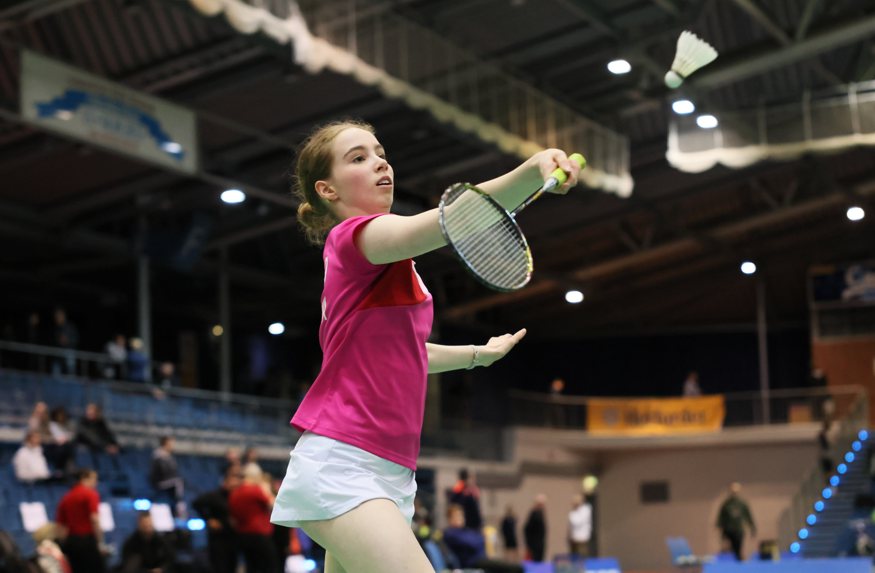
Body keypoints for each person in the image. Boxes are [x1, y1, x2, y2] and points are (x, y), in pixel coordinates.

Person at [268, 120, 581, 573]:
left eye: (380, 153)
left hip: (391, 471)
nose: (380, 163)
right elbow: (454, 219)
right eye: (358, 158)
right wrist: (531, 172)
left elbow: (404, 355)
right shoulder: (355, 240)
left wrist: (477, 355)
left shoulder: (387, 264)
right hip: (345, 464)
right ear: (327, 190)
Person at [55, 469, 106, 573]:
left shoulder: (66, 497)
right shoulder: (90, 494)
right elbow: (94, 519)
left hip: (72, 542)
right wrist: (100, 542)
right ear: (84, 478)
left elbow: (61, 526)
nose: (96, 482)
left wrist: (63, 545)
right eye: (94, 479)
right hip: (87, 542)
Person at [230, 464, 276, 573]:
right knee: (270, 565)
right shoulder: (255, 490)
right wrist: (266, 488)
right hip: (259, 535)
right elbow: (273, 504)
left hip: (243, 535)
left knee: (251, 566)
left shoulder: (235, 492)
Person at [193, 469, 241, 573]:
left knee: (232, 565)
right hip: (218, 538)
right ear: (225, 482)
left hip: (233, 537)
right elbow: (196, 503)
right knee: (219, 566)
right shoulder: (215, 496)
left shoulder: (237, 496)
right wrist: (208, 519)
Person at [716, 482, 756, 561]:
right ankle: (731, 560)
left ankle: (738, 559)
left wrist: (752, 526)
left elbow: (748, 516)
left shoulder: (742, 503)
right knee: (729, 548)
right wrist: (720, 527)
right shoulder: (726, 504)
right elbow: (721, 517)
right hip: (728, 529)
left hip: (738, 529)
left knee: (738, 547)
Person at [149, 436, 185, 517]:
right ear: (165, 444)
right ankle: (180, 505)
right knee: (178, 482)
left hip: (168, 481)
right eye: (171, 444)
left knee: (179, 482)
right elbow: (163, 471)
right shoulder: (158, 456)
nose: (172, 446)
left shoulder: (169, 456)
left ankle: (175, 508)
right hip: (159, 482)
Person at [524, 494, 547, 562]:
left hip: (540, 543)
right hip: (535, 544)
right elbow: (527, 529)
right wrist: (529, 544)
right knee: (535, 560)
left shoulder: (541, 513)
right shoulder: (534, 514)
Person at [568, 493, 592, 558]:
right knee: (574, 558)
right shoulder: (574, 511)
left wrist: (572, 513)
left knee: (582, 557)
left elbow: (576, 522)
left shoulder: (585, 510)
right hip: (574, 539)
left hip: (582, 538)